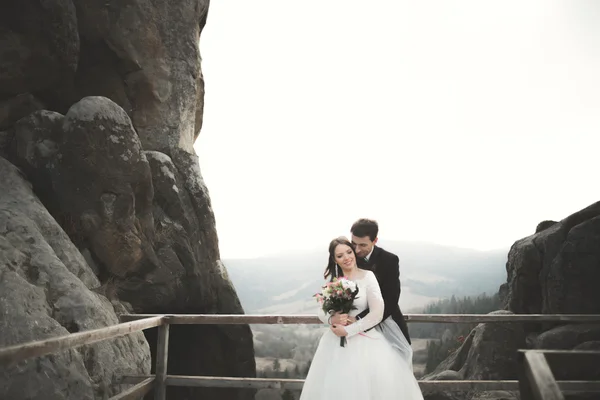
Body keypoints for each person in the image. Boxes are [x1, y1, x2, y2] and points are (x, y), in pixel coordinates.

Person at [299, 237, 423, 400]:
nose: (347, 258)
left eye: (349, 252)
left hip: (366, 342)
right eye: (340, 255)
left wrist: (349, 330)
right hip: (335, 345)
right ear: (334, 260)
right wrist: (333, 319)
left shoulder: (368, 277)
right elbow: (321, 311)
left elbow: (377, 312)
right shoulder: (334, 282)